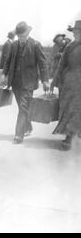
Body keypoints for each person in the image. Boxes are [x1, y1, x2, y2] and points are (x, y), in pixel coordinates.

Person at [2, 21, 49, 144]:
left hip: (28, 82)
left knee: (23, 108)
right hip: (15, 82)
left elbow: (43, 64)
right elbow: (8, 61)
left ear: (27, 34)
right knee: (22, 107)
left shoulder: (35, 45)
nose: (21, 39)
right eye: (19, 36)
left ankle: (19, 135)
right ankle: (27, 126)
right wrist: (4, 74)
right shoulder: (14, 45)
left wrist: (45, 80)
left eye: (23, 36)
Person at [51, 21, 81, 150]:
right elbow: (61, 65)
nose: (75, 33)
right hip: (70, 82)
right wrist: (53, 81)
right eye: (74, 31)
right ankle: (69, 137)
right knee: (70, 109)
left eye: (77, 31)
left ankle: (74, 134)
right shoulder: (70, 46)